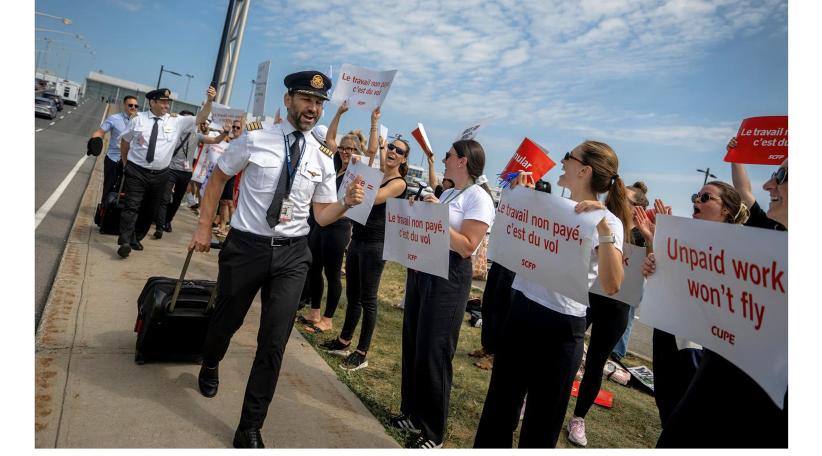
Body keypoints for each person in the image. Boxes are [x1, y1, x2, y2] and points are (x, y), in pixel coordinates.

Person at [189, 71, 365, 449]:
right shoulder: (255, 138)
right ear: (288, 101)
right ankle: (211, 360)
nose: (312, 108)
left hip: (292, 255)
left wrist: (346, 204)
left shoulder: (323, 156)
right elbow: (217, 179)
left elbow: (321, 216)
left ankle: (250, 426)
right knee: (226, 321)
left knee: (273, 342)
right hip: (246, 247)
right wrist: (204, 227)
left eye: (318, 103)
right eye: (306, 99)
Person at [474, 141, 631, 448]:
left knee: (542, 426)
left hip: (562, 329)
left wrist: (602, 228)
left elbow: (613, 284)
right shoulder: (549, 205)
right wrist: (519, 197)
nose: (562, 161)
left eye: (568, 157)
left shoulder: (609, 222)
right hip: (521, 312)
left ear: (584, 170)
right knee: (498, 411)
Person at [651, 167, 787, 448]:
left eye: (783, 175)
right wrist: (659, 260)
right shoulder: (769, 231)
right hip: (713, 372)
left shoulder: (746, 241)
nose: (768, 184)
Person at [390, 139, 495, 449]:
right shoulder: (449, 193)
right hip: (424, 268)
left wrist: (435, 217)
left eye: (449, 155)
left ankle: (433, 431)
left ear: (463, 161)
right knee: (414, 343)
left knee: (435, 351)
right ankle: (412, 412)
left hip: (450, 276)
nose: (445, 159)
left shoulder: (479, 198)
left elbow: (467, 246)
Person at [320, 107, 409, 371]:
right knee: (353, 295)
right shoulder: (378, 175)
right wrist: (374, 123)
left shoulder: (399, 183)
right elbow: (371, 154)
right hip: (358, 240)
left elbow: (374, 198)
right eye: (391, 147)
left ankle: (362, 352)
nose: (392, 152)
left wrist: (356, 184)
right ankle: (344, 341)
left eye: (399, 151)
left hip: (376, 245)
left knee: (368, 299)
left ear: (404, 159)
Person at [566, 181, 651, 447]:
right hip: (587, 297)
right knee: (564, 352)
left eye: (624, 198)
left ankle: (578, 418)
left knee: (595, 364)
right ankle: (535, 398)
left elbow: (656, 269)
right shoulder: (604, 221)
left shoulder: (643, 237)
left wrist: (651, 239)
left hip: (617, 307)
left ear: (637, 208)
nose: (616, 200)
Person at [116, 87, 215, 258]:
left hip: (161, 174)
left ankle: (136, 237)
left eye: (168, 102)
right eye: (162, 102)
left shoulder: (176, 121)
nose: (166, 105)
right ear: (152, 102)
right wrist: (126, 164)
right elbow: (125, 142)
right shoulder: (138, 119)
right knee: (131, 205)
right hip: (137, 171)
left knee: (151, 209)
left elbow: (201, 118)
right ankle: (124, 241)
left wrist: (210, 101)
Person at [299, 101, 360, 333]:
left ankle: (328, 318)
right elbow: (330, 139)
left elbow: (372, 153)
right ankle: (314, 311)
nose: (346, 152)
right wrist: (339, 113)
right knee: (314, 267)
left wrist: (374, 124)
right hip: (321, 222)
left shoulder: (358, 171)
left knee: (332, 273)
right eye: (344, 148)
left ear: (357, 152)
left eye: (351, 149)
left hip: (339, 227)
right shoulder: (334, 164)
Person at [154, 114, 231, 239]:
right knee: (165, 197)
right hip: (171, 169)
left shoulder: (196, 135)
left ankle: (167, 220)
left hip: (185, 172)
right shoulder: (174, 133)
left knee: (177, 199)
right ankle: (160, 225)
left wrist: (226, 132)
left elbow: (215, 140)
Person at [88, 95, 139, 205]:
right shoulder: (114, 118)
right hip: (113, 159)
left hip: (130, 162)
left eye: (136, 106)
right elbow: (100, 132)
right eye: (130, 105)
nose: (133, 107)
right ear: (124, 105)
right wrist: (94, 141)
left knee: (126, 193)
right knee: (109, 188)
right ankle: (104, 211)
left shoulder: (140, 122)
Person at [728, 137, 786, 231]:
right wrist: (736, 155)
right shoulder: (767, 226)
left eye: (781, 176)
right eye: (774, 176)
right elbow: (742, 189)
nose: (766, 186)